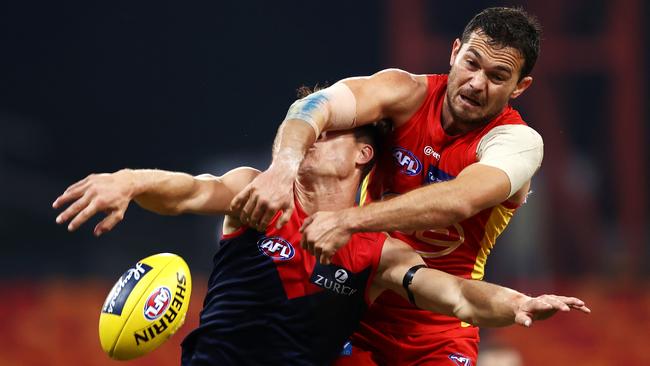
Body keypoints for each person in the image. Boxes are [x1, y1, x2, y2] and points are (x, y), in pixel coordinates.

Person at [53, 126, 587, 365]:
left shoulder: (376, 251)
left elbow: (458, 297)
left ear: (362, 156)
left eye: (327, 133)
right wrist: (129, 180)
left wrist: (517, 303)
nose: (309, 137)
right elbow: (189, 191)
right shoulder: (260, 194)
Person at [230, 7, 546, 365]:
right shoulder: (405, 92)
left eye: (497, 76)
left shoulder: (517, 141)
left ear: (520, 87)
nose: (476, 83)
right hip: (351, 302)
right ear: (455, 51)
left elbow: (460, 199)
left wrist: (348, 221)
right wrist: (282, 168)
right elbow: (311, 107)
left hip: (440, 325)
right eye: (472, 63)